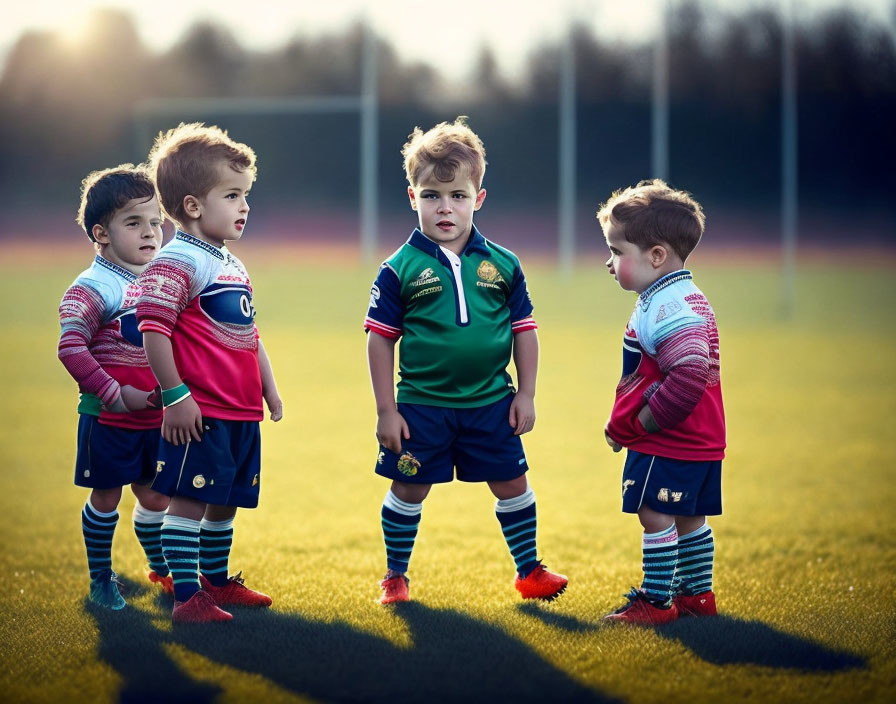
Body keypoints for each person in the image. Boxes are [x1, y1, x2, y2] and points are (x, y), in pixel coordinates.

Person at [364, 117, 568, 605]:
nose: (445, 207)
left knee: (512, 483)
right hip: (421, 406)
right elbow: (379, 341)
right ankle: (395, 576)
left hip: (491, 402)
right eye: (432, 195)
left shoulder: (505, 263)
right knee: (409, 490)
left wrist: (526, 392)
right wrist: (386, 410)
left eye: (457, 195)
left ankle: (529, 571)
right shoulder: (398, 268)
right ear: (412, 196)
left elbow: (525, 331)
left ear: (478, 197)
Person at [137, 123, 283, 623]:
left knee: (224, 502)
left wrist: (269, 387)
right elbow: (153, 329)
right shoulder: (177, 259)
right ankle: (186, 598)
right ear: (194, 206)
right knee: (189, 501)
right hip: (200, 412)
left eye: (246, 195)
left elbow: (251, 334)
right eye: (233, 195)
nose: (244, 206)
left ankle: (217, 583)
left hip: (240, 410)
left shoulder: (232, 263)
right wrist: (176, 397)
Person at [599, 179, 725, 625]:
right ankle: (697, 596)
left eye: (617, 252)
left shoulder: (668, 306)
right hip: (703, 439)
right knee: (690, 515)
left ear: (656, 256)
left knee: (654, 512)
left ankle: (656, 602)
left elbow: (689, 371)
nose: (609, 263)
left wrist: (644, 423)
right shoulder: (678, 294)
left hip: (670, 440)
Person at [58, 164, 172, 610]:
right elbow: (71, 348)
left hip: (157, 419)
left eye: (156, 223)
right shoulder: (91, 288)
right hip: (108, 417)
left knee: (156, 494)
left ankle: (160, 565)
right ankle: (101, 579)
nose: (150, 233)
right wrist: (113, 393)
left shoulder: (162, 281)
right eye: (134, 223)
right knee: (107, 496)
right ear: (101, 233)